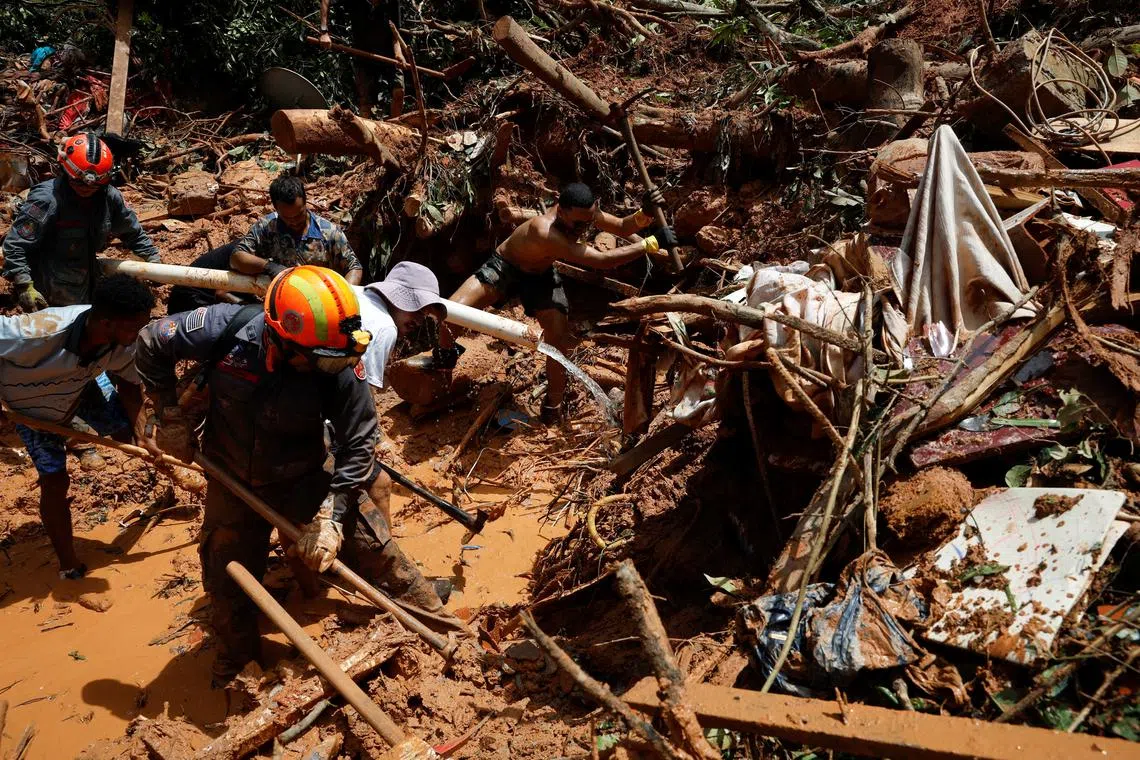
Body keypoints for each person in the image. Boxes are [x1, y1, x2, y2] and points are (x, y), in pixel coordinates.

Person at [135, 265, 455, 678]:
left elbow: (358, 441)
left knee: (382, 556)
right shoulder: (227, 329)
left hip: (306, 474)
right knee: (225, 584)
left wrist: (334, 516)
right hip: (232, 478)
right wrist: (168, 414)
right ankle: (239, 666)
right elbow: (150, 342)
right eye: (316, 360)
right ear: (280, 338)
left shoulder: (341, 354)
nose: (328, 365)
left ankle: (446, 634)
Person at [442, 182, 677, 421]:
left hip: (540, 274)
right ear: (561, 211)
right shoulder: (544, 230)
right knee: (451, 311)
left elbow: (622, 226)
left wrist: (645, 213)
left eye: (588, 221)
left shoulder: (585, 212)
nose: (583, 228)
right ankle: (440, 372)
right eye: (578, 224)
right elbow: (602, 261)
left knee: (558, 336)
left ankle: (553, 407)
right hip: (506, 266)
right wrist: (650, 244)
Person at [0, 274, 155, 578]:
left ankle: (168, 489)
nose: (141, 333)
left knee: (130, 436)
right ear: (108, 323)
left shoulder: (120, 343)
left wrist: (143, 434)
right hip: (33, 411)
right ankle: (69, 566)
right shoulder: (35, 334)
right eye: (135, 326)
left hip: (80, 387)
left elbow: (128, 382)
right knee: (56, 482)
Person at [2, 133, 162, 311]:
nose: (87, 189)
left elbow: (133, 233)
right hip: (48, 293)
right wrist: (24, 286)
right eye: (79, 183)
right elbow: (16, 244)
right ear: (65, 171)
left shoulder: (109, 198)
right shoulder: (47, 200)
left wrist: (154, 260)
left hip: (86, 285)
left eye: (94, 186)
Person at [355, 261, 460, 411]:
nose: (419, 321)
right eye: (417, 310)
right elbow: (361, 398)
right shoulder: (384, 328)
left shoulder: (358, 294)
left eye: (424, 315)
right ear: (395, 296)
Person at [229, 175, 363, 286]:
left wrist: (345, 295)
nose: (294, 221)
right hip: (285, 298)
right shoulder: (267, 227)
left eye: (299, 214)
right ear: (276, 209)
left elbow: (354, 268)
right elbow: (237, 258)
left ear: (306, 203)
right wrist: (269, 267)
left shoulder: (329, 233)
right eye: (286, 217)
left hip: (323, 299)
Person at [318, 0, 406, 117]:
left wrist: (398, 53)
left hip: (388, 55)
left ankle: (396, 130)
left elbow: (395, 31)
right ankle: (365, 132)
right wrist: (324, 32)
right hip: (363, 54)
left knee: (399, 91)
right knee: (365, 102)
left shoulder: (392, 2)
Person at [166, 243, 255, 315]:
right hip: (187, 303)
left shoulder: (251, 246)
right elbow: (222, 294)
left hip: (199, 295)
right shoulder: (247, 256)